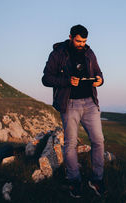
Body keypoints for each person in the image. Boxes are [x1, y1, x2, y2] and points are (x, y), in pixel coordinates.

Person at [42, 24, 105, 198]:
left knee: (98, 140)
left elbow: (99, 73)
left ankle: (97, 179)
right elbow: (46, 78)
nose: (81, 44)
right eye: (78, 41)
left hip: (90, 103)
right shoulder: (57, 54)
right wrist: (67, 81)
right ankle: (74, 180)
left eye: (84, 41)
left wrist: (100, 80)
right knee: (70, 144)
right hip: (69, 104)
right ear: (70, 37)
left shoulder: (89, 52)